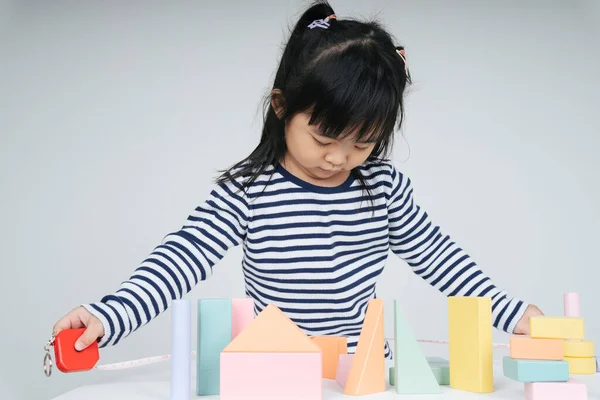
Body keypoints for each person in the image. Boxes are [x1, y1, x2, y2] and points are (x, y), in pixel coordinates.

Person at [52, 1, 543, 358]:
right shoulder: (248, 191)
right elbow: (181, 259)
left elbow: (439, 257)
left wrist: (512, 313)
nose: (339, 157)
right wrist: (107, 315)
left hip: (362, 371)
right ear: (282, 106)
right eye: (325, 136)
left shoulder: (382, 187)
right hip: (277, 370)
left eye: (362, 143)